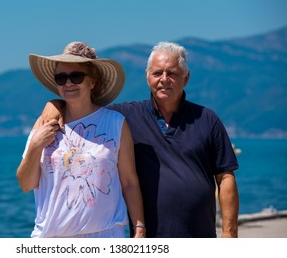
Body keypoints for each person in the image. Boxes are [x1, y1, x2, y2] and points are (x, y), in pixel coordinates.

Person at [40, 42, 240, 238]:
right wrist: (56, 104)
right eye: (157, 73)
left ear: (185, 78)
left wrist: (229, 233)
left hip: (201, 238)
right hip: (149, 240)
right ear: (147, 78)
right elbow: (84, 107)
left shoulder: (207, 118)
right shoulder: (124, 117)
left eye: (172, 73)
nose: (164, 79)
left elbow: (226, 177)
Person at [16, 42, 145, 238]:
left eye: (76, 76)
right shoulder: (44, 123)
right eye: (61, 78)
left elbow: (129, 182)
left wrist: (140, 229)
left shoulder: (115, 123)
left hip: (105, 236)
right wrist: (35, 146)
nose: (68, 83)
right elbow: (26, 184)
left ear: (92, 81)